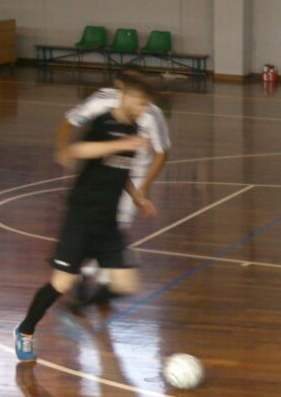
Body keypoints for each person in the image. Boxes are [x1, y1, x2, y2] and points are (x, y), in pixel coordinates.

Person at [13, 75, 159, 361]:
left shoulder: (133, 128)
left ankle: (74, 311)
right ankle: (26, 330)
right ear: (126, 97)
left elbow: (121, 168)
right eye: (141, 104)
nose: (143, 111)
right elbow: (77, 150)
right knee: (61, 284)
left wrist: (137, 196)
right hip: (81, 217)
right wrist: (119, 145)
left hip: (107, 221)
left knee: (125, 285)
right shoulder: (103, 123)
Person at [54, 72, 171, 304]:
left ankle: (93, 276)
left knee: (117, 225)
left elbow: (162, 152)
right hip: (98, 170)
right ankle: (84, 272)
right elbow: (70, 121)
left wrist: (143, 189)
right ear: (123, 91)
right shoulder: (101, 100)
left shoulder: (152, 114)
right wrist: (63, 148)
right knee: (91, 222)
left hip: (131, 174)